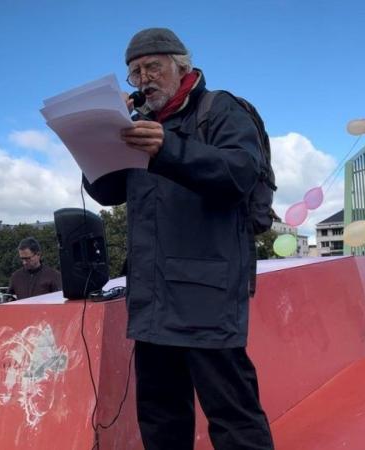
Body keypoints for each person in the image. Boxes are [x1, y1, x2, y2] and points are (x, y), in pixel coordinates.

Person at [83, 28, 274, 449]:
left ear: (181, 65)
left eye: (153, 66)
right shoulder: (138, 126)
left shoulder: (219, 108)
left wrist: (168, 148)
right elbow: (108, 191)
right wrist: (96, 138)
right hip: (152, 298)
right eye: (135, 72)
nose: (144, 77)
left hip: (207, 295)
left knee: (233, 416)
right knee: (160, 417)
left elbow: (240, 173)